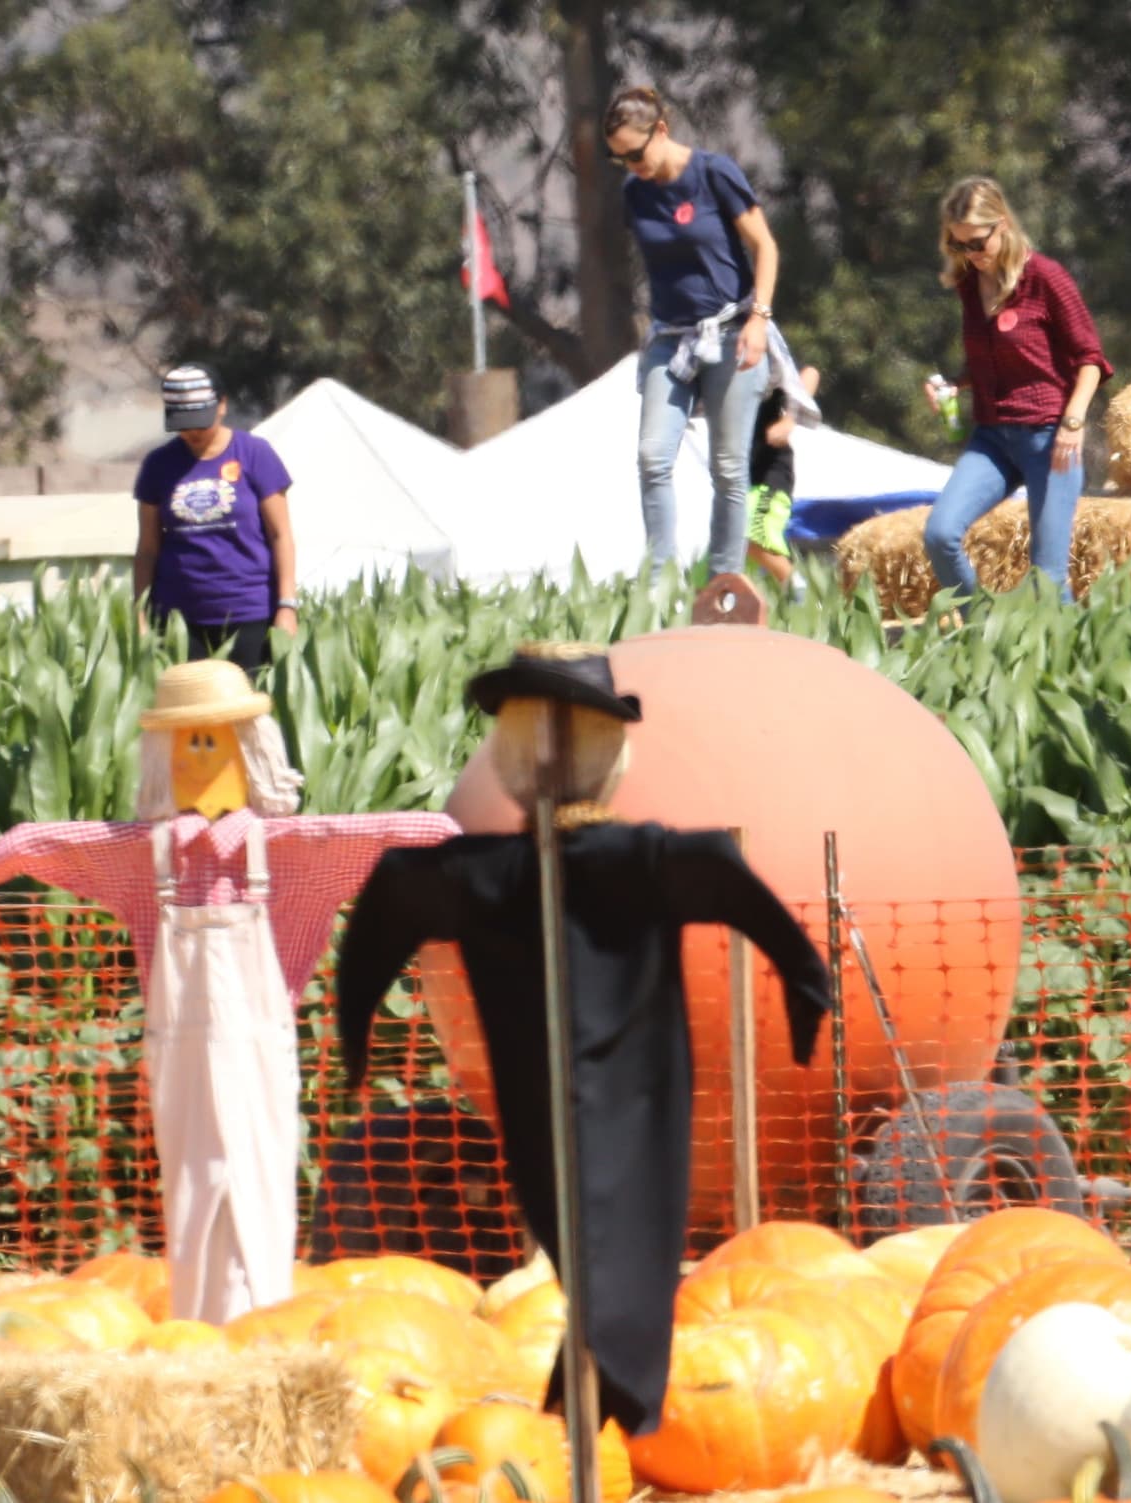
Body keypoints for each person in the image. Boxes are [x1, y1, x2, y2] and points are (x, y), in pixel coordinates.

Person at [337, 641, 830, 1436]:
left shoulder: (487, 874)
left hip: (578, 1104)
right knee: (617, 1260)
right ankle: (596, 1413)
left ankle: (585, 1412)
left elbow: (391, 901)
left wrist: (356, 1028)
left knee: (608, 1265)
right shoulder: (627, 860)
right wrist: (805, 982)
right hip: (616, 1105)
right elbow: (726, 876)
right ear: (611, 753)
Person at [0, 658, 459, 1323]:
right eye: (188, 741)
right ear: (162, 755)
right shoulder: (140, 857)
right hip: (180, 1058)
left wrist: (477, 865)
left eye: (216, 738)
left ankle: (263, 1317)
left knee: (263, 1184)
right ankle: (197, 1328)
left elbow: (406, 834)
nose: (202, 754)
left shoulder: (295, 851)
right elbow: (34, 844)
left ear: (253, 751)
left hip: (261, 1055)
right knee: (190, 1190)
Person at [603, 85, 780, 579]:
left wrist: (759, 320)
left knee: (728, 469)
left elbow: (765, 246)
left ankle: (725, 580)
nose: (631, 165)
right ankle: (660, 580)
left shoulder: (713, 173)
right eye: (619, 159)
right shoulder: (634, 194)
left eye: (636, 153)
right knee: (651, 455)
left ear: (661, 130)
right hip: (671, 339)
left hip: (732, 333)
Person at [922, 176, 1113, 606]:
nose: (970, 254)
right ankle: (981, 633)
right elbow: (987, 361)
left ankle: (1066, 667)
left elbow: (1091, 360)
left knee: (1047, 578)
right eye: (958, 245)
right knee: (940, 534)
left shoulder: (1045, 278)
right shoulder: (971, 286)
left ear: (1002, 224)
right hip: (993, 437)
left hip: (1050, 438)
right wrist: (954, 384)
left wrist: (1073, 422)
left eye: (976, 243)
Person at [134, 362, 299, 671]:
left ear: (222, 405)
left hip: (250, 613)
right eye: (184, 424)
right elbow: (148, 549)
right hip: (179, 620)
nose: (193, 432)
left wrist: (287, 606)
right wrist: (140, 614)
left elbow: (281, 535)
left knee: (248, 711)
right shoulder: (158, 466)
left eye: (200, 421)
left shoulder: (254, 454)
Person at [746, 362, 821, 585]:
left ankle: (803, 597)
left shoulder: (762, 356)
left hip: (768, 476)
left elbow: (811, 373)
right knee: (712, 565)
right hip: (734, 481)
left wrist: (789, 419)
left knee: (754, 537)